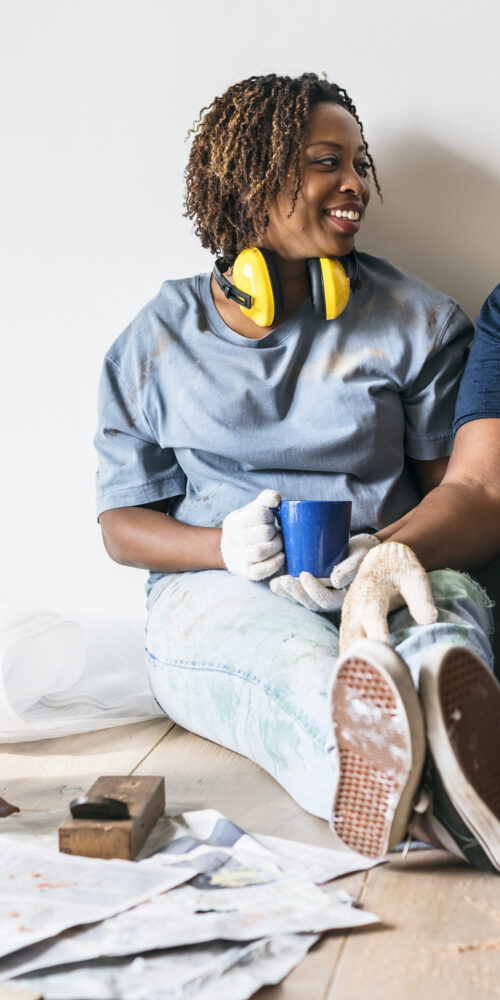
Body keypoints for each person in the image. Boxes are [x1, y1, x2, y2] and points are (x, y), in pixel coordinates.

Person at [94, 74, 500, 872]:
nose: (355, 185)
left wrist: (388, 555)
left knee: (441, 629)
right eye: (327, 162)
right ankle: (405, 793)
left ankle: (459, 769)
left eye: (360, 163)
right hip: (223, 594)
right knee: (299, 673)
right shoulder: (154, 342)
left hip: (387, 562)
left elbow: (463, 491)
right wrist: (221, 548)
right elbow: (120, 526)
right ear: (252, 179)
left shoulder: (415, 319)